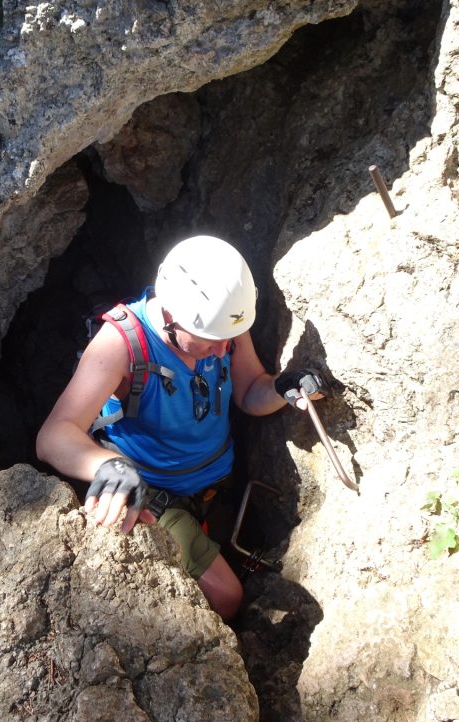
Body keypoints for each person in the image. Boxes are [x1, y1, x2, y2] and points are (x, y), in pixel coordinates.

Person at [36, 235, 328, 619]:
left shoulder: (223, 324)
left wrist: (281, 388)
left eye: (228, 341)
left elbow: (249, 391)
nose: (223, 351)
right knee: (226, 595)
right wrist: (107, 467)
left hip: (216, 487)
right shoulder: (122, 345)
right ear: (171, 318)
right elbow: (54, 434)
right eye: (211, 343)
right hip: (155, 492)